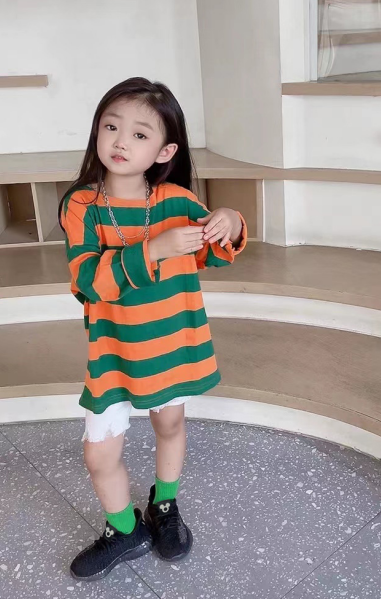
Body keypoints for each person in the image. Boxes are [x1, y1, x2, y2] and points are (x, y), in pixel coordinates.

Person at [59, 77, 246, 581]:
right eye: (111, 127)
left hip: (172, 345)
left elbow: (215, 250)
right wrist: (155, 250)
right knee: (99, 453)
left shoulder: (177, 200)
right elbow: (87, 282)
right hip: (114, 354)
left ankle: (164, 505)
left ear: (165, 151)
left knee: (170, 426)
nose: (121, 141)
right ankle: (125, 529)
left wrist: (229, 220)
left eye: (139, 134)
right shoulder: (82, 206)